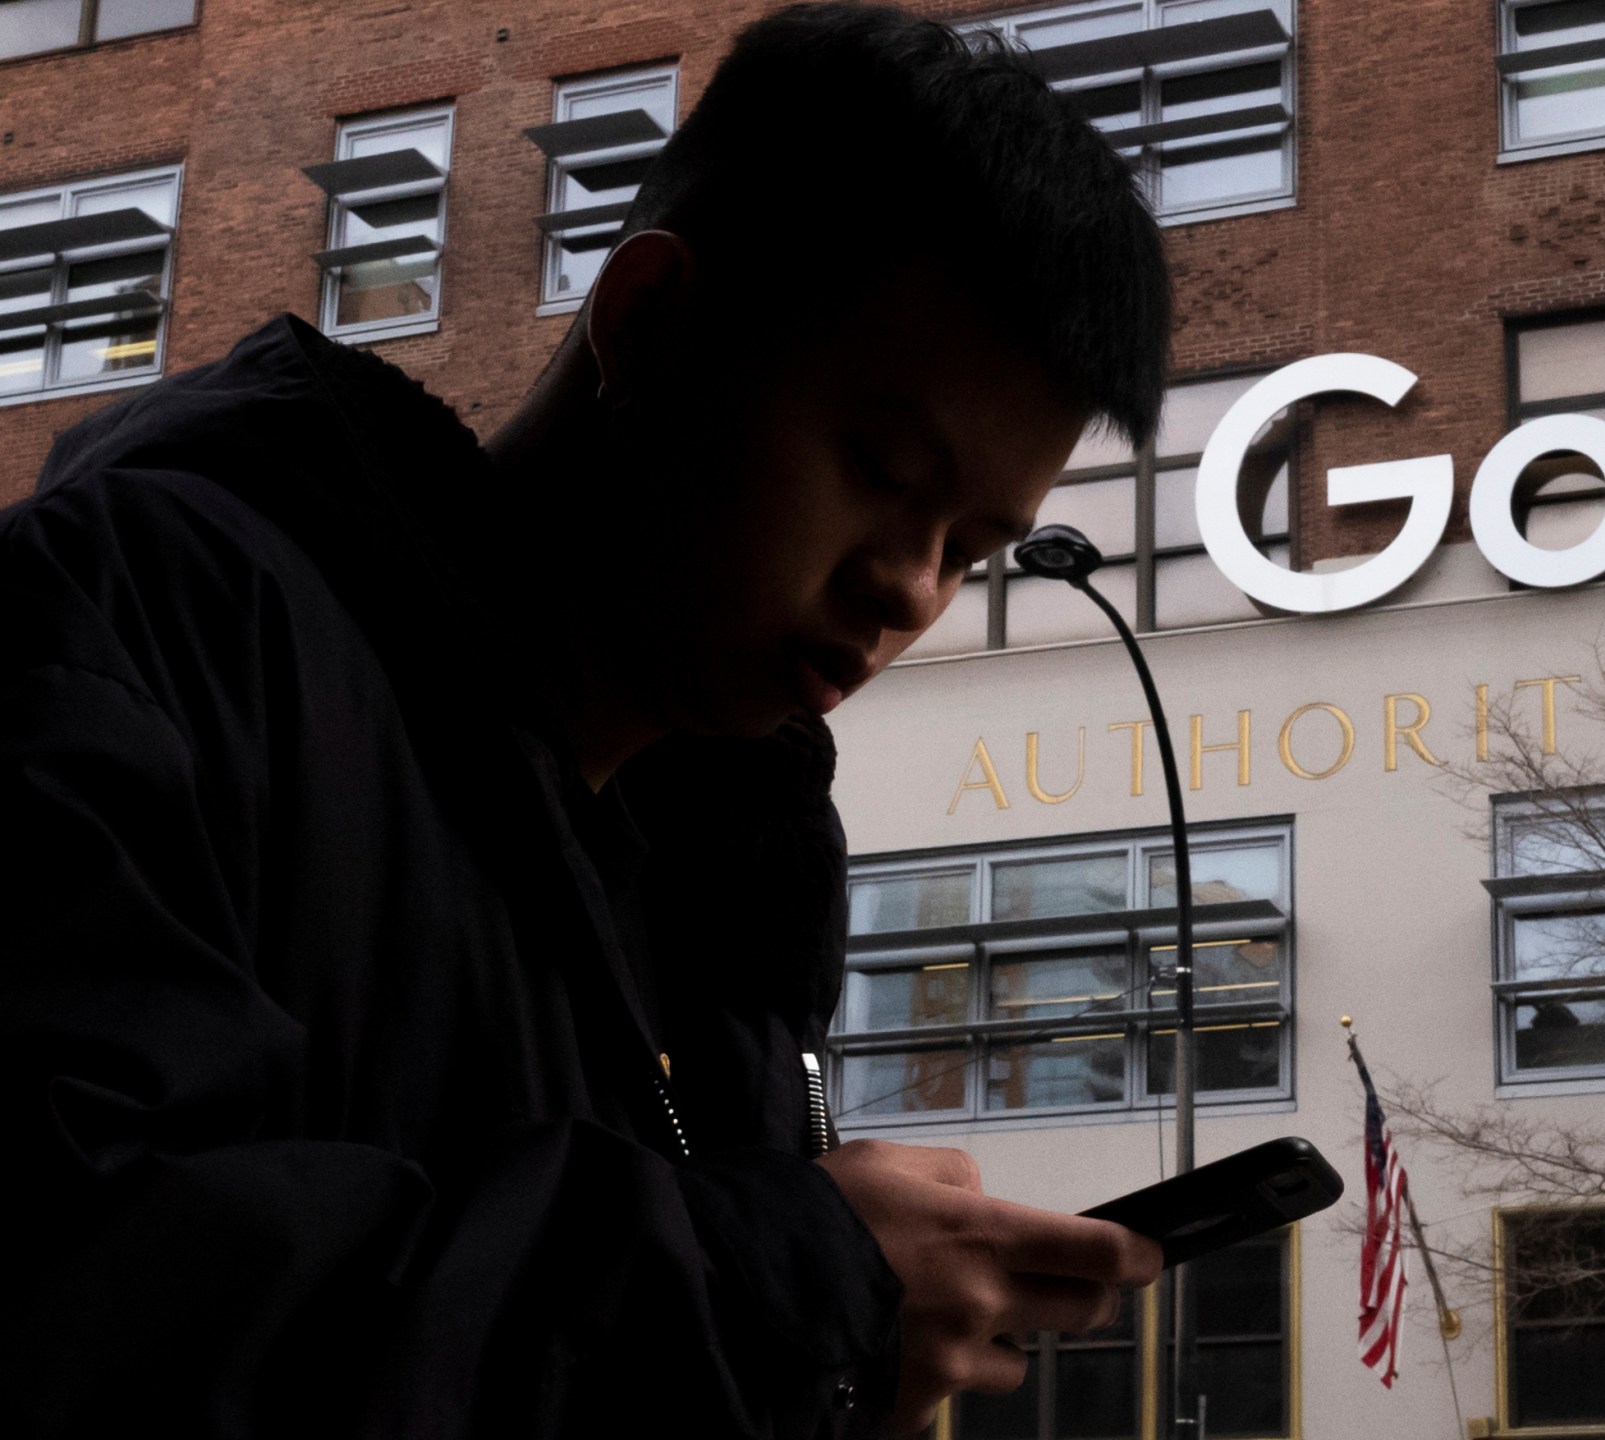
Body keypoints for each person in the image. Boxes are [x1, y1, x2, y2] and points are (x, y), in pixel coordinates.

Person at [0, 6, 1171, 1436]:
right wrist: (756, 1293)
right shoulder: (142, 622)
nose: (909, 586)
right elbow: (83, 1296)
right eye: (880, 469)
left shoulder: (733, 884)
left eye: (974, 547)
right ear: (651, 324)